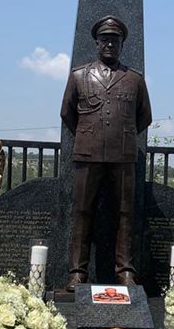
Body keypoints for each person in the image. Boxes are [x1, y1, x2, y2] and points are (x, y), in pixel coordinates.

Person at [60, 15, 152, 291]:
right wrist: (91, 137)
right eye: (105, 40)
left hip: (122, 155)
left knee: (126, 213)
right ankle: (77, 273)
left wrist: (117, 138)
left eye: (115, 40)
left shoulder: (134, 80)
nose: (110, 44)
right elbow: (67, 113)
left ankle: (125, 272)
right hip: (87, 154)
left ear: (122, 44)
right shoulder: (79, 76)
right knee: (82, 212)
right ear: (97, 43)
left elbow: (144, 117)